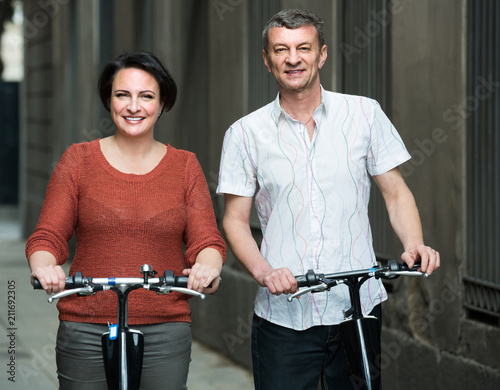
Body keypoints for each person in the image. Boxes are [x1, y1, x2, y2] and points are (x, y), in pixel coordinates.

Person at [217, 9, 440, 390]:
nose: (292, 58)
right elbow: (235, 220)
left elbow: (396, 192)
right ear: (267, 60)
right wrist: (264, 271)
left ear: (321, 55)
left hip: (357, 308)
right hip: (283, 314)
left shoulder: (364, 114)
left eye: (303, 47)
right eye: (281, 49)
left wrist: (414, 244)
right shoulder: (244, 134)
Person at [26, 51, 226, 390]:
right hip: (87, 325)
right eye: (123, 95)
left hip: (165, 327)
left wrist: (208, 267)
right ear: (109, 100)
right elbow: (48, 237)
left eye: (146, 96)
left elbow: (206, 241)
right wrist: (44, 266)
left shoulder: (185, 166)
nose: (134, 106)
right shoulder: (78, 160)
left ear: (162, 104)